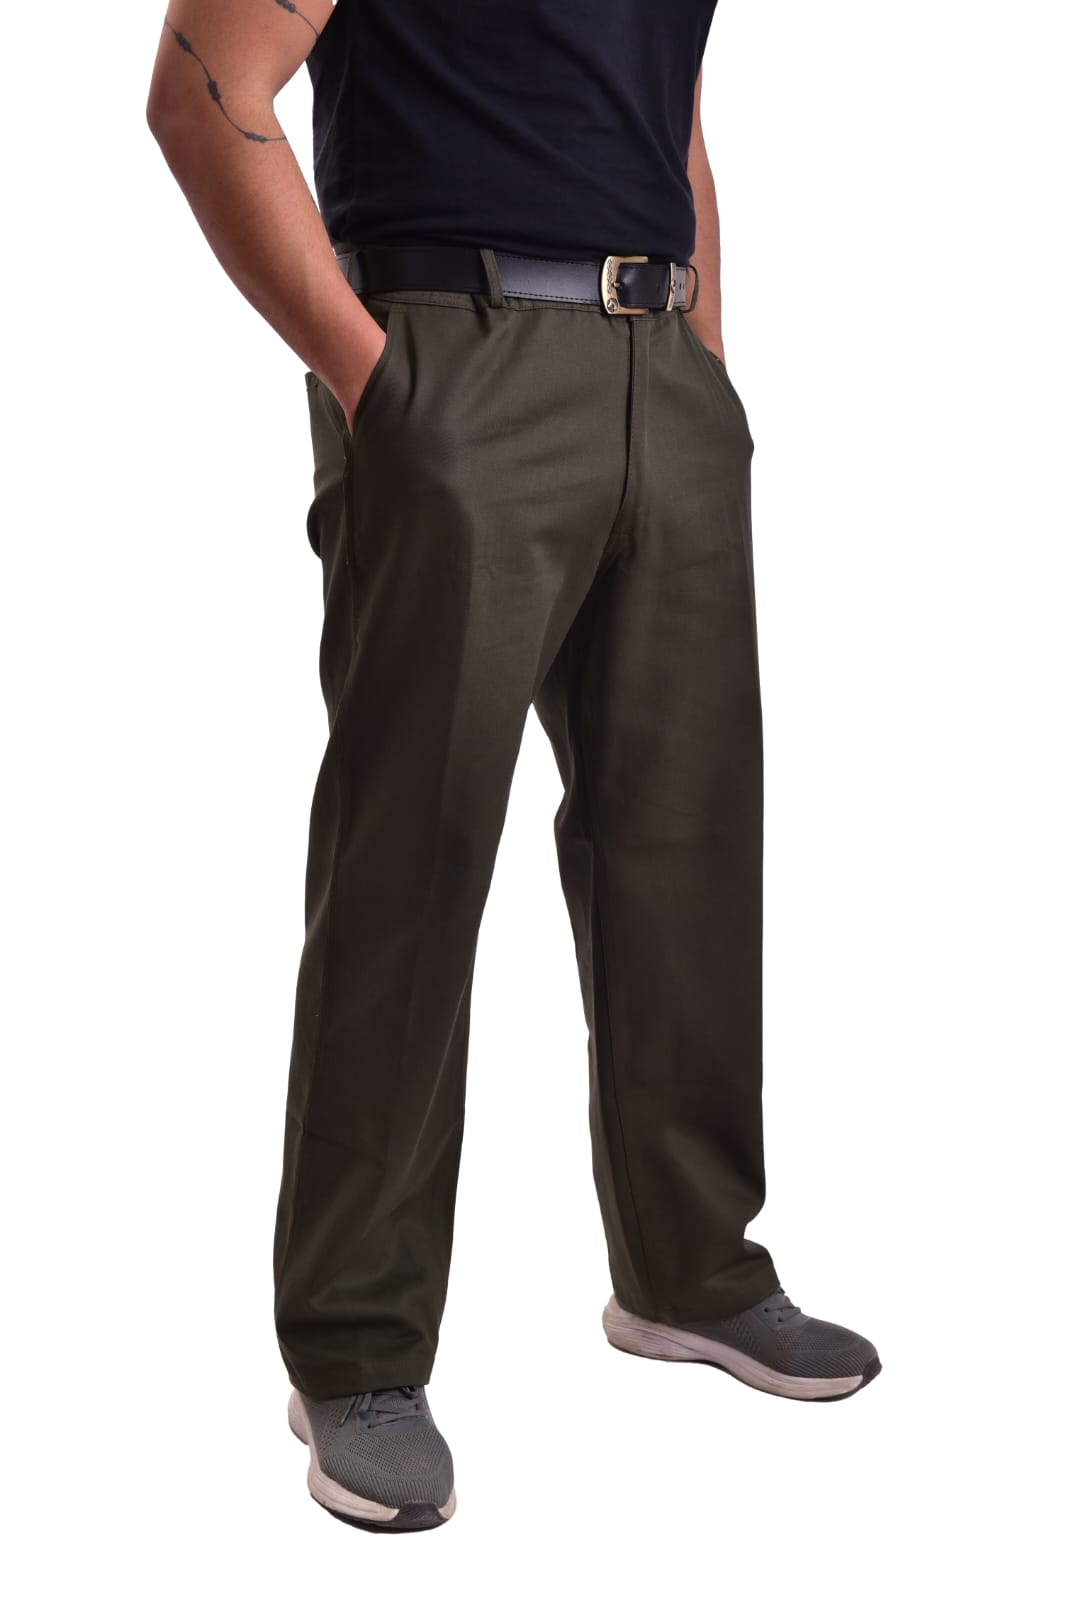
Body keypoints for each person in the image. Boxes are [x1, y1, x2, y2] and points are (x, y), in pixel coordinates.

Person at [147, 0, 880, 1536]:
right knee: (409, 866)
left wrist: (701, 369)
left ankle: (689, 1269)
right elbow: (204, 89)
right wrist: (377, 384)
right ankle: (354, 1353)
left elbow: (669, 118)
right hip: (452, 361)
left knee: (685, 842)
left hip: (659, 376)